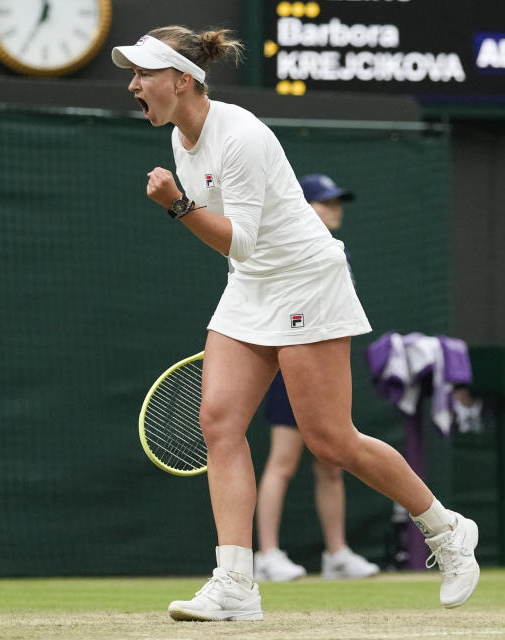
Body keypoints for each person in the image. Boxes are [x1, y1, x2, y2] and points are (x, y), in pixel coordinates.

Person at [111, 27, 480, 622]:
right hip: (252, 283)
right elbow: (239, 252)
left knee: (331, 439)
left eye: (143, 75)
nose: (132, 86)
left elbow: (243, 239)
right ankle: (235, 581)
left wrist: (177, 206)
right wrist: (186, 206)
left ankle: (447, 529)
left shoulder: (242, 137)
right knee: (219, 420)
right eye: (131, 75)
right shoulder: (183, 140)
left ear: (182, 80)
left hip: (306, 278)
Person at [254, 174, 380, 582]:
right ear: (304, 207)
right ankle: (267, 555)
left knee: (333, 462)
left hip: (326, 368)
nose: (335, 208)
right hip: (289, 366)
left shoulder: (335, 253)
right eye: (326, 202)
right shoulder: (289, 249)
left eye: (336, 201)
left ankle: (336, 554)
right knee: (284, 462)